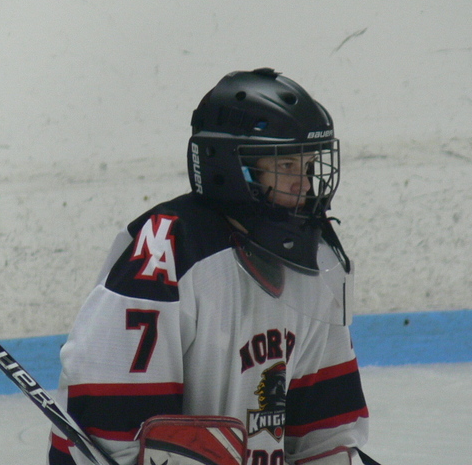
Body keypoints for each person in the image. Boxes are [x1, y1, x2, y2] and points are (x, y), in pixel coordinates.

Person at [47, 68, 371, 465]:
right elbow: (109, 429)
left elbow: (325, 432)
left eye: (307, 168)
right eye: (286, 166)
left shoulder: (315, 263)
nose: (304, 186)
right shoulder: (167, 250)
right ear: (231, 168)